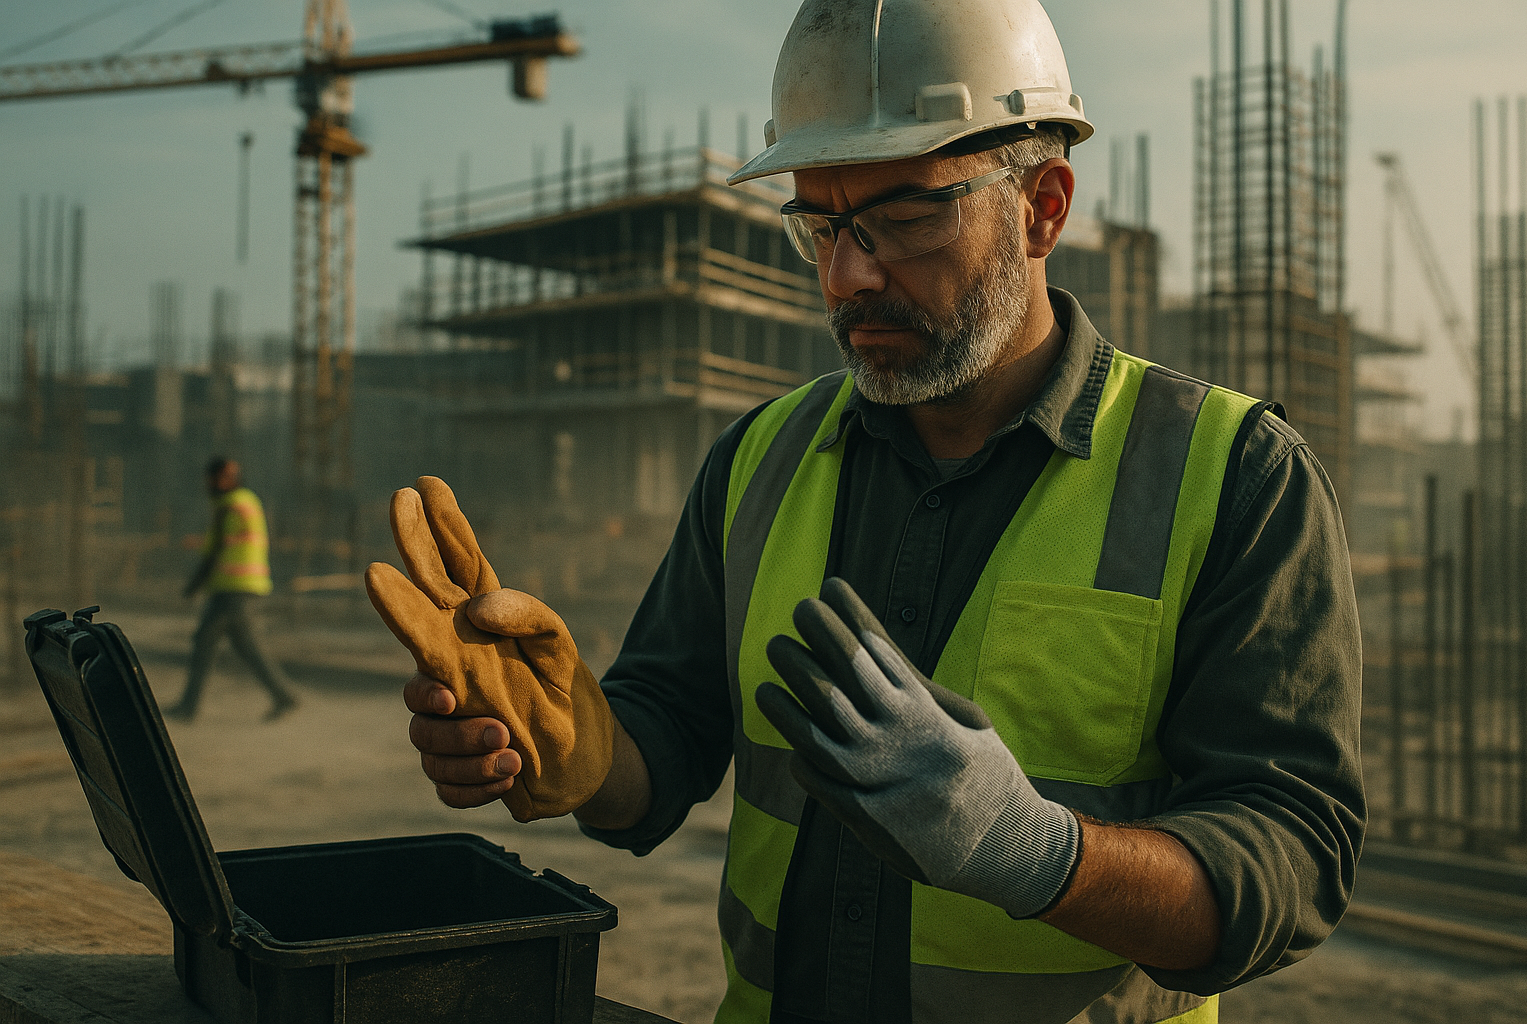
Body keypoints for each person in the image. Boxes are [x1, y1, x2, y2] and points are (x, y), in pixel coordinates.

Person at [369, 2, 1365, 1021]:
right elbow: (658, 753)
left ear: (1044, 208)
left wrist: (1036, 853)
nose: (848, 275)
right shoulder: (760, 459)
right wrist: (580, 752)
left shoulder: (1233, 475)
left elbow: (1290, 861)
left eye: (903, 217)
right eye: (820, 226)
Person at [165, 457, 298, 723]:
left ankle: (189, 707)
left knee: (204, 641)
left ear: (223, 478)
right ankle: (284, 697)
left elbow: (216, 550)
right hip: (242, 587)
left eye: (213, 478)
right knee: (246, 647)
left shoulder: (231, 505)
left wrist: (193, 585)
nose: (209, 485)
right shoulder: (244, 501)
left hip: (234, 589)